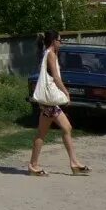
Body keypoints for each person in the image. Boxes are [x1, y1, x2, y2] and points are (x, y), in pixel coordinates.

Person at [28, 30, 90, 177]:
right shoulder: (51, 54)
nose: (61, 43)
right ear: (54, 41)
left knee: (63, 128)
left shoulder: (48, 53)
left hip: (49, 103)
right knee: (47, 132)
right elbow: (55, 77)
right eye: (60, 40)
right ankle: (34, 165)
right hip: (49, 103)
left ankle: (73, 163)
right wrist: (66, 92)